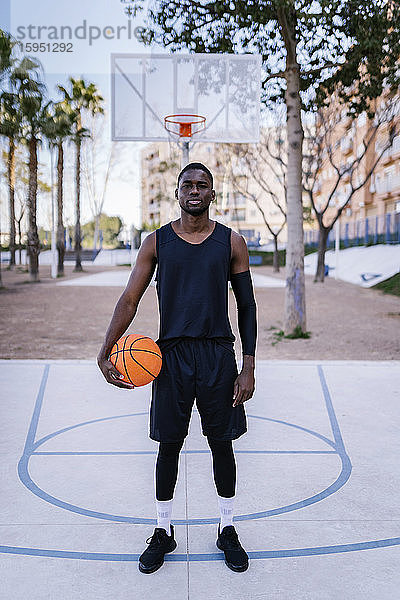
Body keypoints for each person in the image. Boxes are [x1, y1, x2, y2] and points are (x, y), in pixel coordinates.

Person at [97, 162, 257, 574]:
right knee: (169, 444)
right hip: (171, 357)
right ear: (177, 191)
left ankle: (227, 526)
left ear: (212, 194)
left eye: (203, 185)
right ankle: (164, 530)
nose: (195, 190)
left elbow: (247, 306)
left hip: (218, 355)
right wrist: (105, 349)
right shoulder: (156, 242)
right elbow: (129, 299)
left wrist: (248, 365)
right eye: (188, 183)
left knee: (222, 442)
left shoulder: (231, 241)